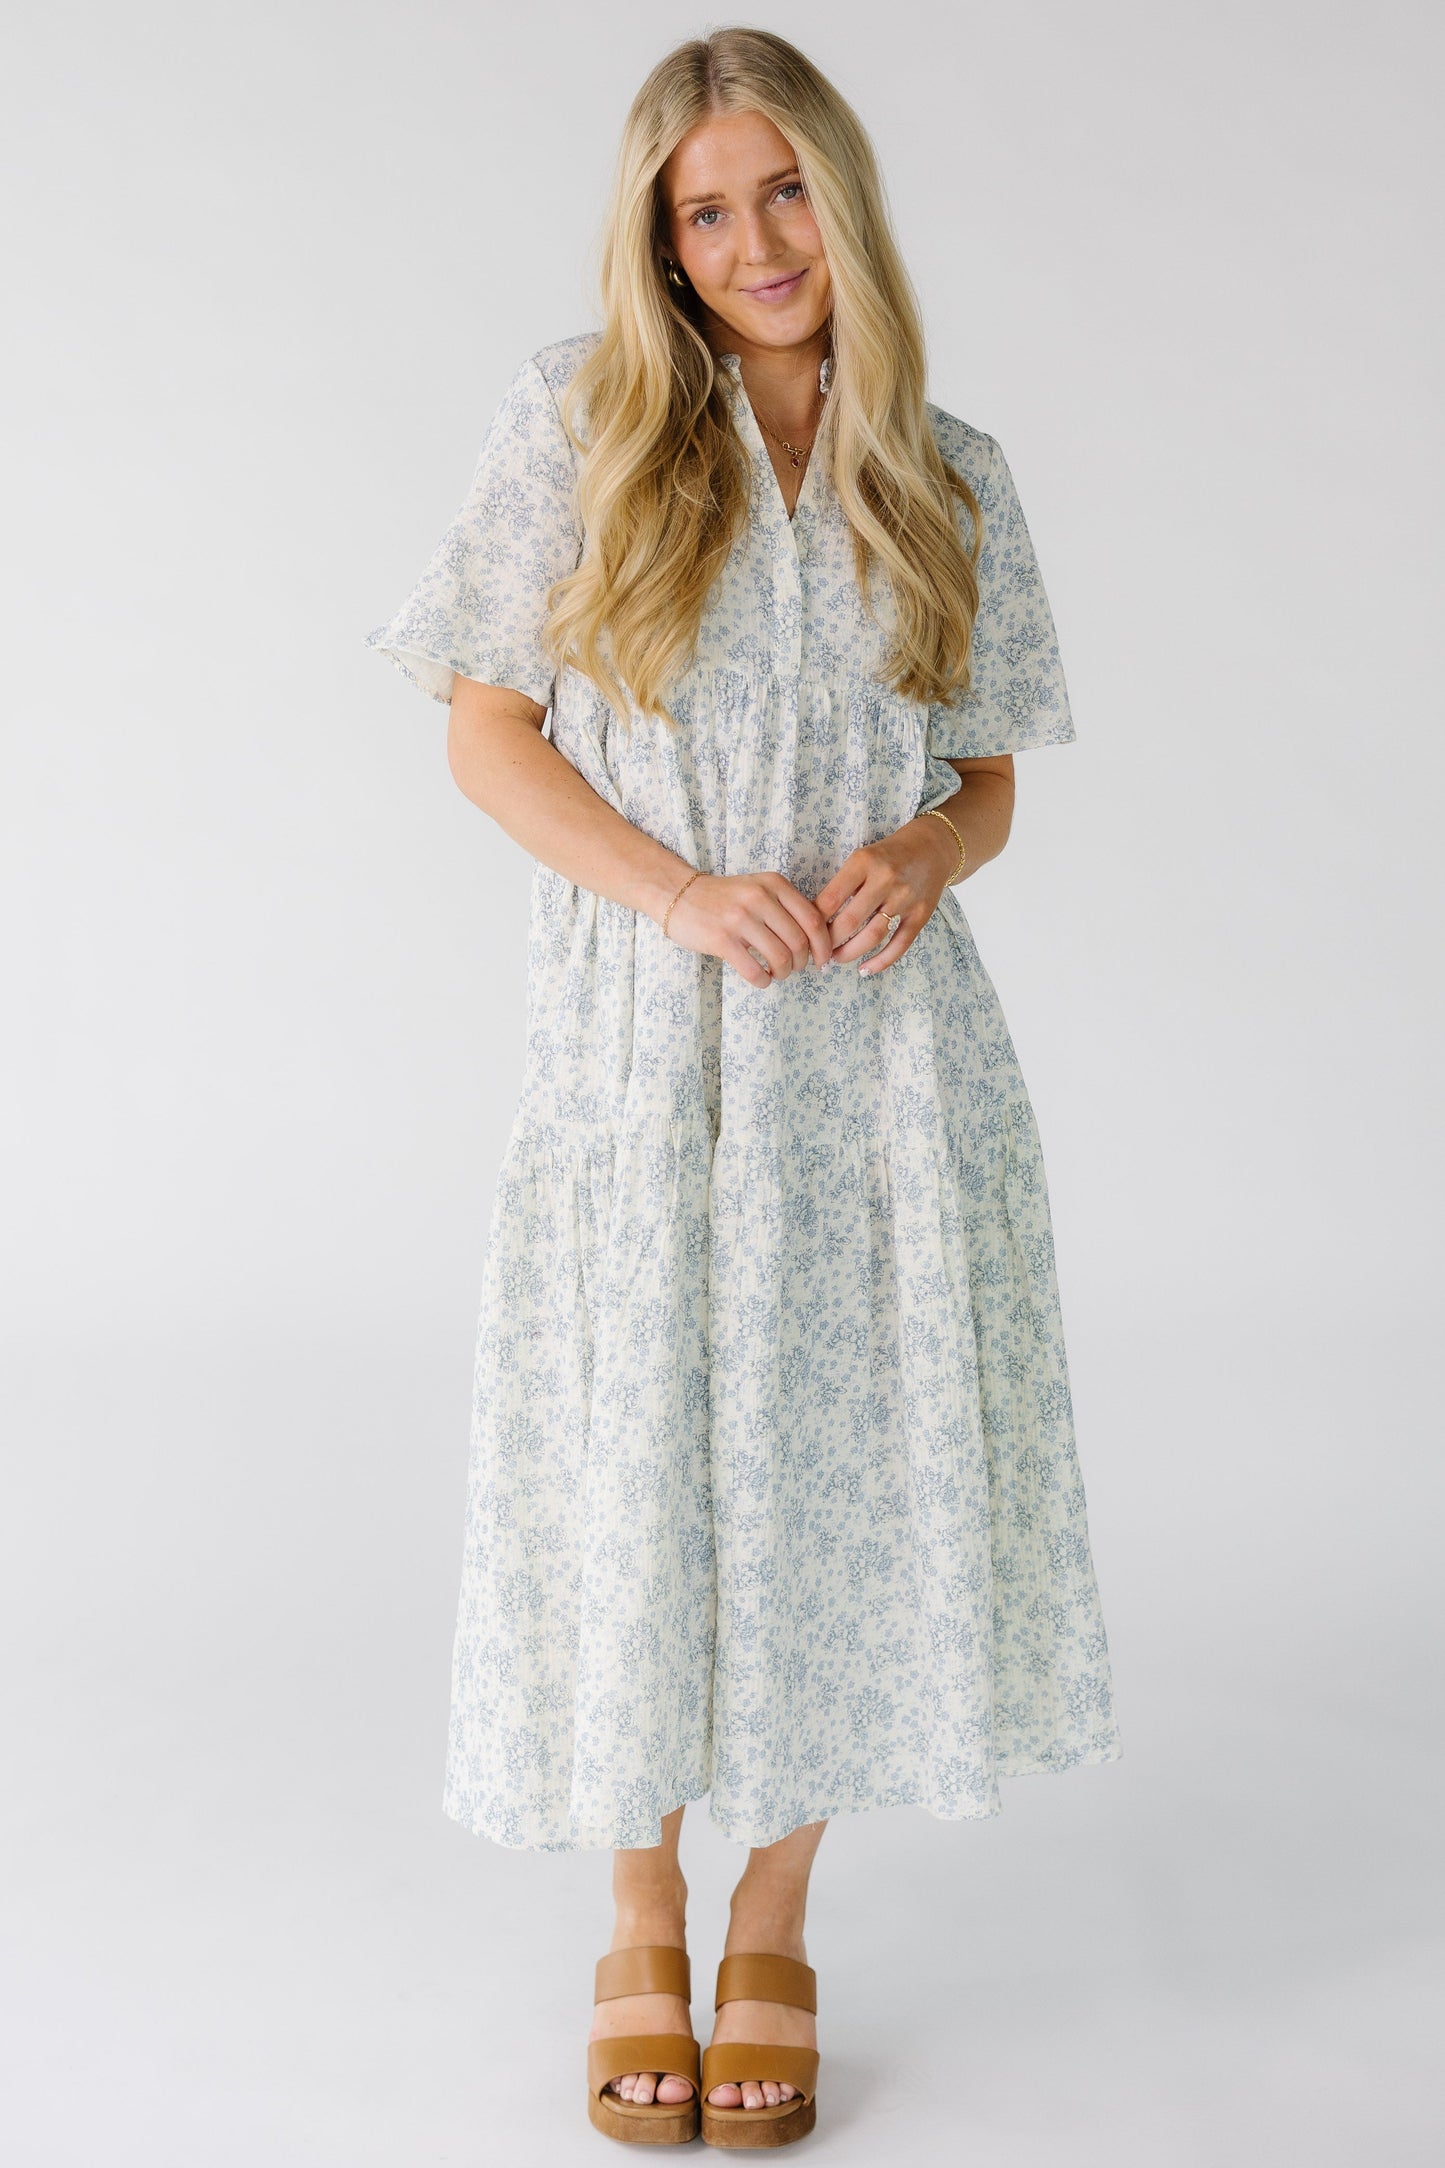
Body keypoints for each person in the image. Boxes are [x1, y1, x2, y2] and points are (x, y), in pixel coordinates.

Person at [366, 24, 1123, 2151]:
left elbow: (982, 782)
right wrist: (680, 891)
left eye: (782, 191)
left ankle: (776, 1909)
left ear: (843, 199)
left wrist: (918, 853)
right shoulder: (583, 419)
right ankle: (635, 1895)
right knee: (639, 1452)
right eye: (705, 209)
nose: (752, 240)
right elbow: (485, 730)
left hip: (880, 1055)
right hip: (642, 1040)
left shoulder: (947, 467)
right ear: (658, 240)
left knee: (832, 1464)